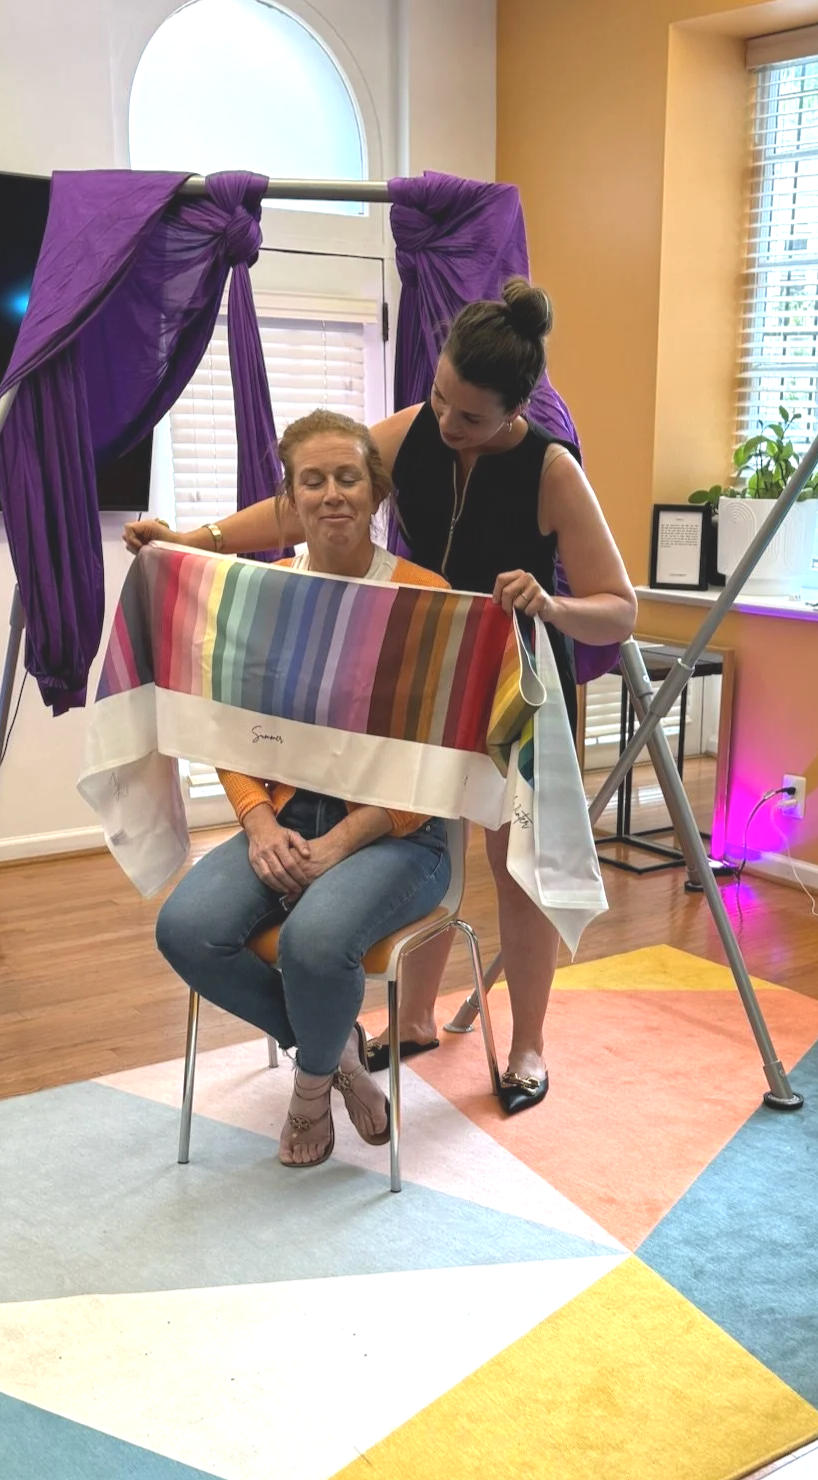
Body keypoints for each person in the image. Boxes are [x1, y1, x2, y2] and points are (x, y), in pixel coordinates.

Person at [128, 280, 636, 1115]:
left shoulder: (551, 470)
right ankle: (413, 1019)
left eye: (469, 416)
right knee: (424, 820)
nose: (445, 422)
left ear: (515, 410)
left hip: (511, 686)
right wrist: (196, 538)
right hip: (413, 675)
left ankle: (529, 1045)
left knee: (520, 870)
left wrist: (551, 605)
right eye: (438, 398)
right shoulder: (414, 430)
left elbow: (619, 607)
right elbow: (310, 502)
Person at [154, 410, 454, 1167]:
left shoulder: (426, 598)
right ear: (288, 500)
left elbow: (438, 764)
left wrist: (343, 840)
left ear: (376, 490)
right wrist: (257, 822)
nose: (332, 495)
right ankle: (336, 1053)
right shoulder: (262, 594)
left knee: (314, 945)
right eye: (312, 481)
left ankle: (312, 1092)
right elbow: (229, 731)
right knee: (185, 929)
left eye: (348, 477)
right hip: (286, 816)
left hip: (399, 833)